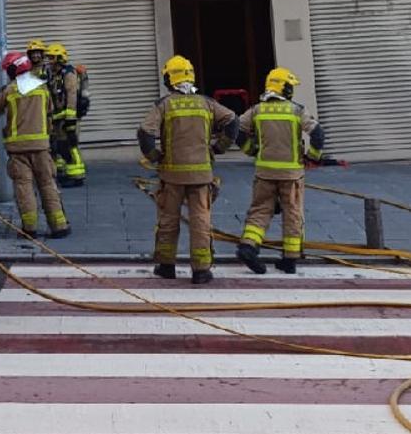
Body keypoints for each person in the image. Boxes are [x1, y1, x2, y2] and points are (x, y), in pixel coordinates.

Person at [137, 54, 237, 284]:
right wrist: (219, 148)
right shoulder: (207, 103)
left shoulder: (164, 105)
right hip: (201, 175)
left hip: (171, 175)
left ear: (170, 78)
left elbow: (145, 132)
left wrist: (154, 157)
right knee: (200, 220)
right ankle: (201, 270)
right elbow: (232, 121)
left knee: (169, 220)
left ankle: (166, 265)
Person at [235, 67, 328, 275]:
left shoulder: (257, 110)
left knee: (260, 211)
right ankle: (289, 259)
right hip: (292, 175)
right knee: (293, 214)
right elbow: (318, 134)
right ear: (283, 88)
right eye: (289, 87)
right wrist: (313, 157)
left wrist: (251, 150)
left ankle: (248, 246)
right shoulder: (296, 110)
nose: (291, 91)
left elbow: (236, 129)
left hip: (264, 173)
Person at [0, 50, 70, 238]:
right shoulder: (42, 88)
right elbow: (50, 112)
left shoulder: (10, 90)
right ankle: (59, 226)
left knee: (24, 188)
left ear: (13, 70)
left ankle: (29, 229)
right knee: (47, 185)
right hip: (41, 146)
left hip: (18, 149)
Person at [46, 41, 87, 187]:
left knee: (71, 145)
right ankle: (66, 173)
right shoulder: (55, 74)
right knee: (61, 146)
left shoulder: (68, 74)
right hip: (59, 118)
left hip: (68, 118)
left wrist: (70, 120)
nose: (49, 61)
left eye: (52, 58)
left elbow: (71, 96)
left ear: (59, 58)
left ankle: (76, 176)